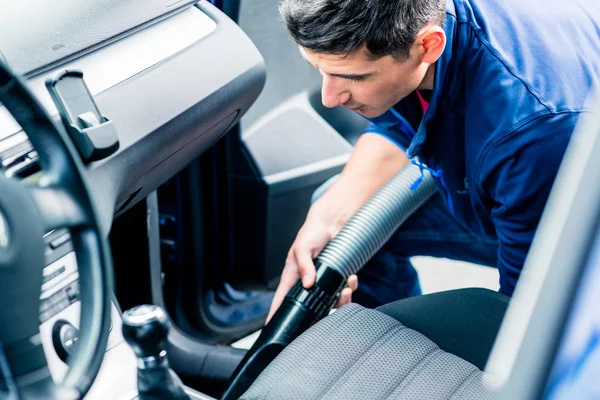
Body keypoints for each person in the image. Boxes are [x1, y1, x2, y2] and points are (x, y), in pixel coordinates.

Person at [267, 0, 600, 321]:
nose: (329, 98)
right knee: (346, 223)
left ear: (428, 46)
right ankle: (388, 344)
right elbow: (400, 125)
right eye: (319, 70)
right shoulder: (417, 21)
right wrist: (328, 215)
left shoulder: (531, 134)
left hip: (574, 212)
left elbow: (528, 315)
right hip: (532, 171)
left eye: (354, 78)